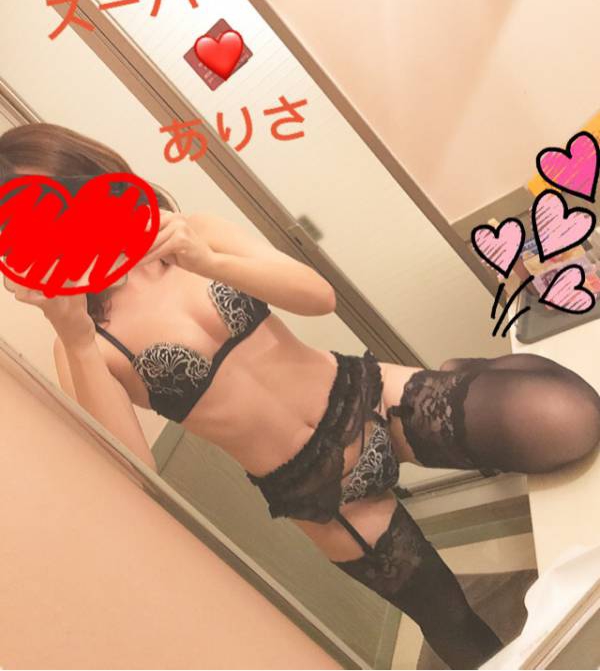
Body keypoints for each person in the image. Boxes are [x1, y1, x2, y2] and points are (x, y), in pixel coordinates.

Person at [2, 123, 600, 669]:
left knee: (571, 420)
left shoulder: (191, 232)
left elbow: (317, 297)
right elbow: (137, 479)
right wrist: (74, 335)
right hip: (320, 492)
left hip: (366, 395)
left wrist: (205, 260)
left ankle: (468, 373)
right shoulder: (80, 342)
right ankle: (472, 376)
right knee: (451, 620)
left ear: (96, 177)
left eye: (71, 198)